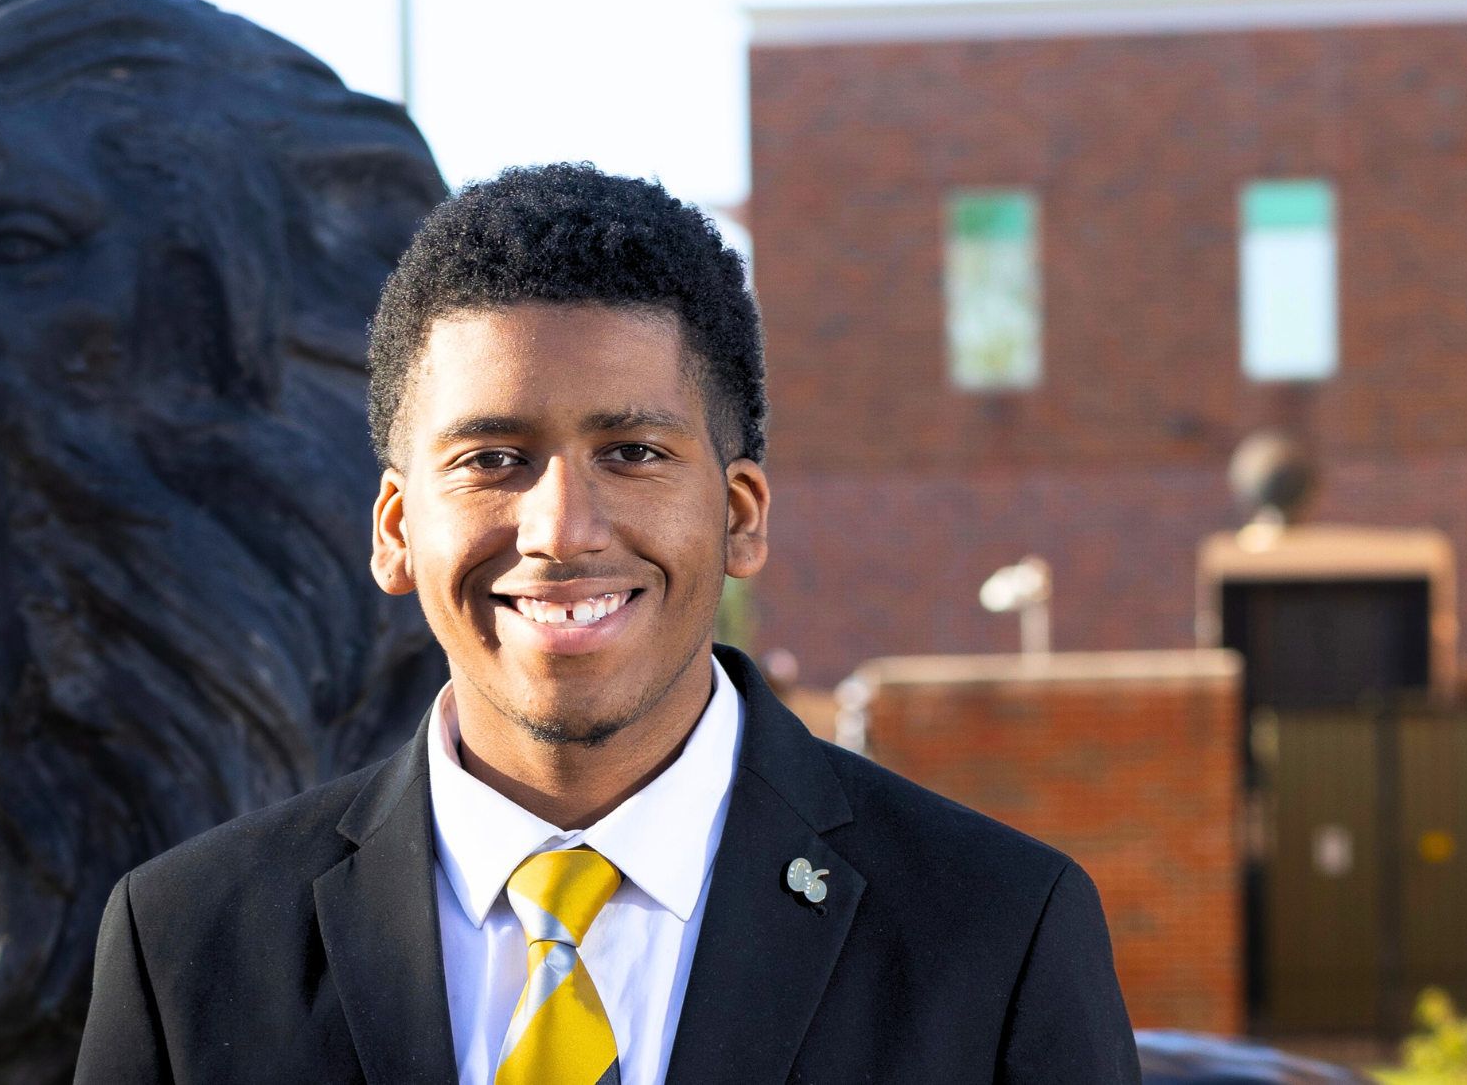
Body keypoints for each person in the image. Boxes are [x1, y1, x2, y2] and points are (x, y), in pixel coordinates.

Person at [74, 164, 1142, 1084]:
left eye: (632, 453)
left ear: (739, 515)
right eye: (493, 459)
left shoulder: (997, 932)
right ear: (396, 530)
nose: (561, 530)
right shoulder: (187, 947)